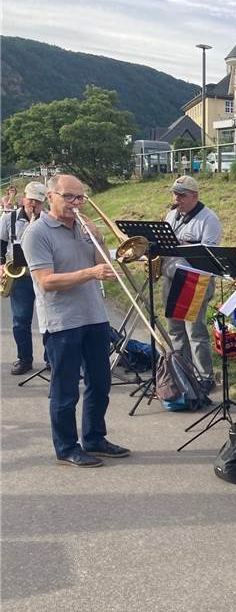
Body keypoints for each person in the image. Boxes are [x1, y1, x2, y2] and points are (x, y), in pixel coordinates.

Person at [21, 175, 130, 467]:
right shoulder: (37, 233)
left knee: (100, 382)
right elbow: (46, 281)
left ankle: (95, 438)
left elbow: (104, 265)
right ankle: (67, 447)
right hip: (61, 322)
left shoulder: (83, 228)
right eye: (69, 197)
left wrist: (98, 237)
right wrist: (90, 273)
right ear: (50, 197)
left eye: (80, 197)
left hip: (95, 315)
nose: (76, 203)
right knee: (65, 389)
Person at [162, 175, 222, 391]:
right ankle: (182, 371)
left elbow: (209, 254)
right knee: (175, 329)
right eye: (175, 194)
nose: (177, 199)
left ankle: (205, 376)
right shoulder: (171, 214)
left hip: (194, 281)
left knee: (195, 331)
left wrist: (182, 244)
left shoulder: (209, 219)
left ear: (195, 196)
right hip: (171, 278)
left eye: (182, 195)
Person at [1, 181, 46, 374]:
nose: (33, 204)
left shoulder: (47, 220)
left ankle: (51, 359)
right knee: (20, 320)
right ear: (23, 198)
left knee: (50, 320)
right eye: (31, 199)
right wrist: (1, 264)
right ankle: (24, 359)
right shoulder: (8, 219)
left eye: (38, 201)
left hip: (44, 275)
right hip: (20, 276)